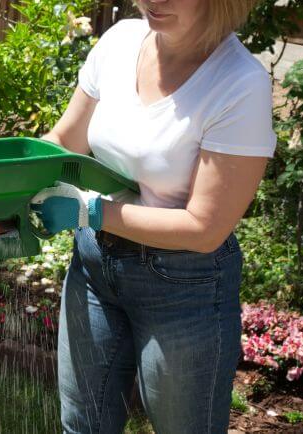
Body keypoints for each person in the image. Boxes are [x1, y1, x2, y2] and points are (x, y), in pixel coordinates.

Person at [32, 1, 276, 433]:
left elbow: (205, 229)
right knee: (82, 426)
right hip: (93, 267)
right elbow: (64, 141)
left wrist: (91, 211)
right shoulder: (120, 41)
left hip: (184, 287)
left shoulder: (239, 82)